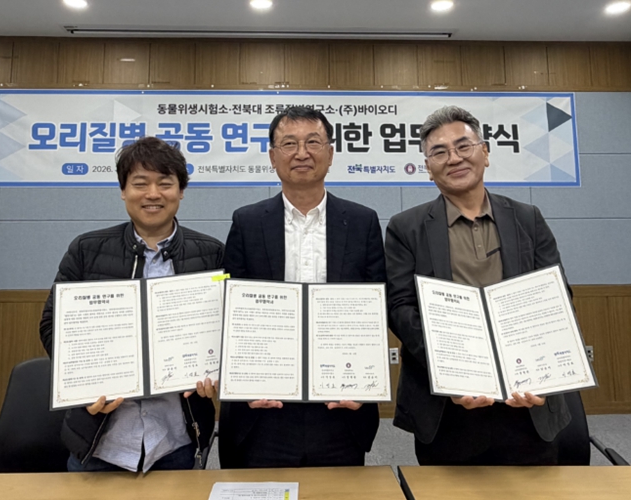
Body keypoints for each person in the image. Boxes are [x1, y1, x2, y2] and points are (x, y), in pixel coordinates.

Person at [385, 105, 572, 465]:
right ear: (428, 168)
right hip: (448, 406)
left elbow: (557, 299)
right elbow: (401, 309)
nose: (453, 158)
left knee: (533, 489)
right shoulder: (405, 227)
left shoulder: (528, 218)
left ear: (485, 153)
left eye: (463, 146)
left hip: (526, 402)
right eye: (439, 152)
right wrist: (453, 372)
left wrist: (542, 372)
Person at [39, 136, 223, 472]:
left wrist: (216, 370)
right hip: (100, 439)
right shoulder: (87, 250)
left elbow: (225, 330)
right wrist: (84, 382)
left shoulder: (211, 255)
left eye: (165, 183)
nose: (153, 194)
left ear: (181, 191)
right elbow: (53, 326)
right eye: (140, 183)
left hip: (176, 439)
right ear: (123, 190)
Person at [218, 106, 387, 468]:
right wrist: (244, 381)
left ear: (330, 152)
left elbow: (377, 308)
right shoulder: (247, 222)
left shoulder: (362, 222)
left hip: (340, 405)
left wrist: (367, 380)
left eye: (313, 142)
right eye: (289, 144)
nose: (301, 153)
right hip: (265, 408)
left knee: (341, 493)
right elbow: (232, 309)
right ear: (272, 156)